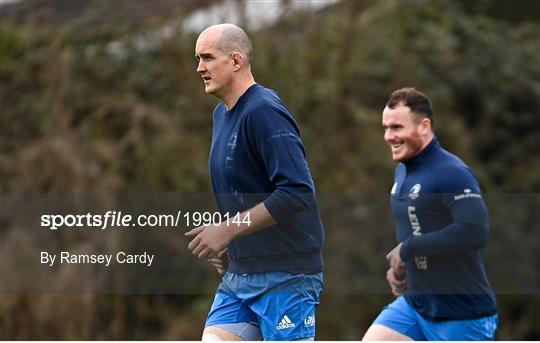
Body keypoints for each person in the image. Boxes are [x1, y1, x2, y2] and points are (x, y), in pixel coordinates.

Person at [185, 24, 324, 341]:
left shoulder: (264, 111)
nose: (199, 68)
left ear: (236, 61)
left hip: (287, 277)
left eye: (207, 58)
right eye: (197, 58)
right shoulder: (221, 115)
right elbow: (242, 192)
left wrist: (228, 229)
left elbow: (298, 192)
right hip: (241, 275)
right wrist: (231, 243)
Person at [363, 88, 498, 340]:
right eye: (385, 128)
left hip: (462, 315)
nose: (388, 136)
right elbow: (417, 227)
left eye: (396, 128)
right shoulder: (402, 171)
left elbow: (474, 231)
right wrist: (400, 269)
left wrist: (409, 248)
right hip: (416, 306)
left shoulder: (452, 173)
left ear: (424, 126)